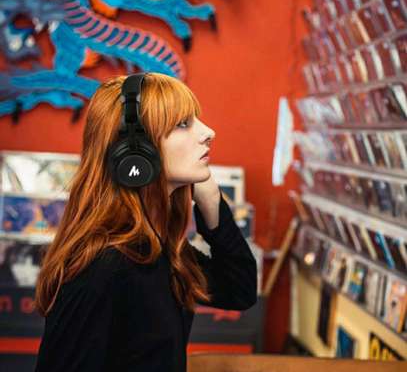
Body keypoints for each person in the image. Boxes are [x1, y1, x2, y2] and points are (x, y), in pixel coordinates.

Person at [34, 73, 257, 372]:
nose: (208, 132)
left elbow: (239, 290)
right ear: (137, 152)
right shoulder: (104, 265)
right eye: (182, 124)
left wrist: (211, 201)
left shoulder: (157, 247)